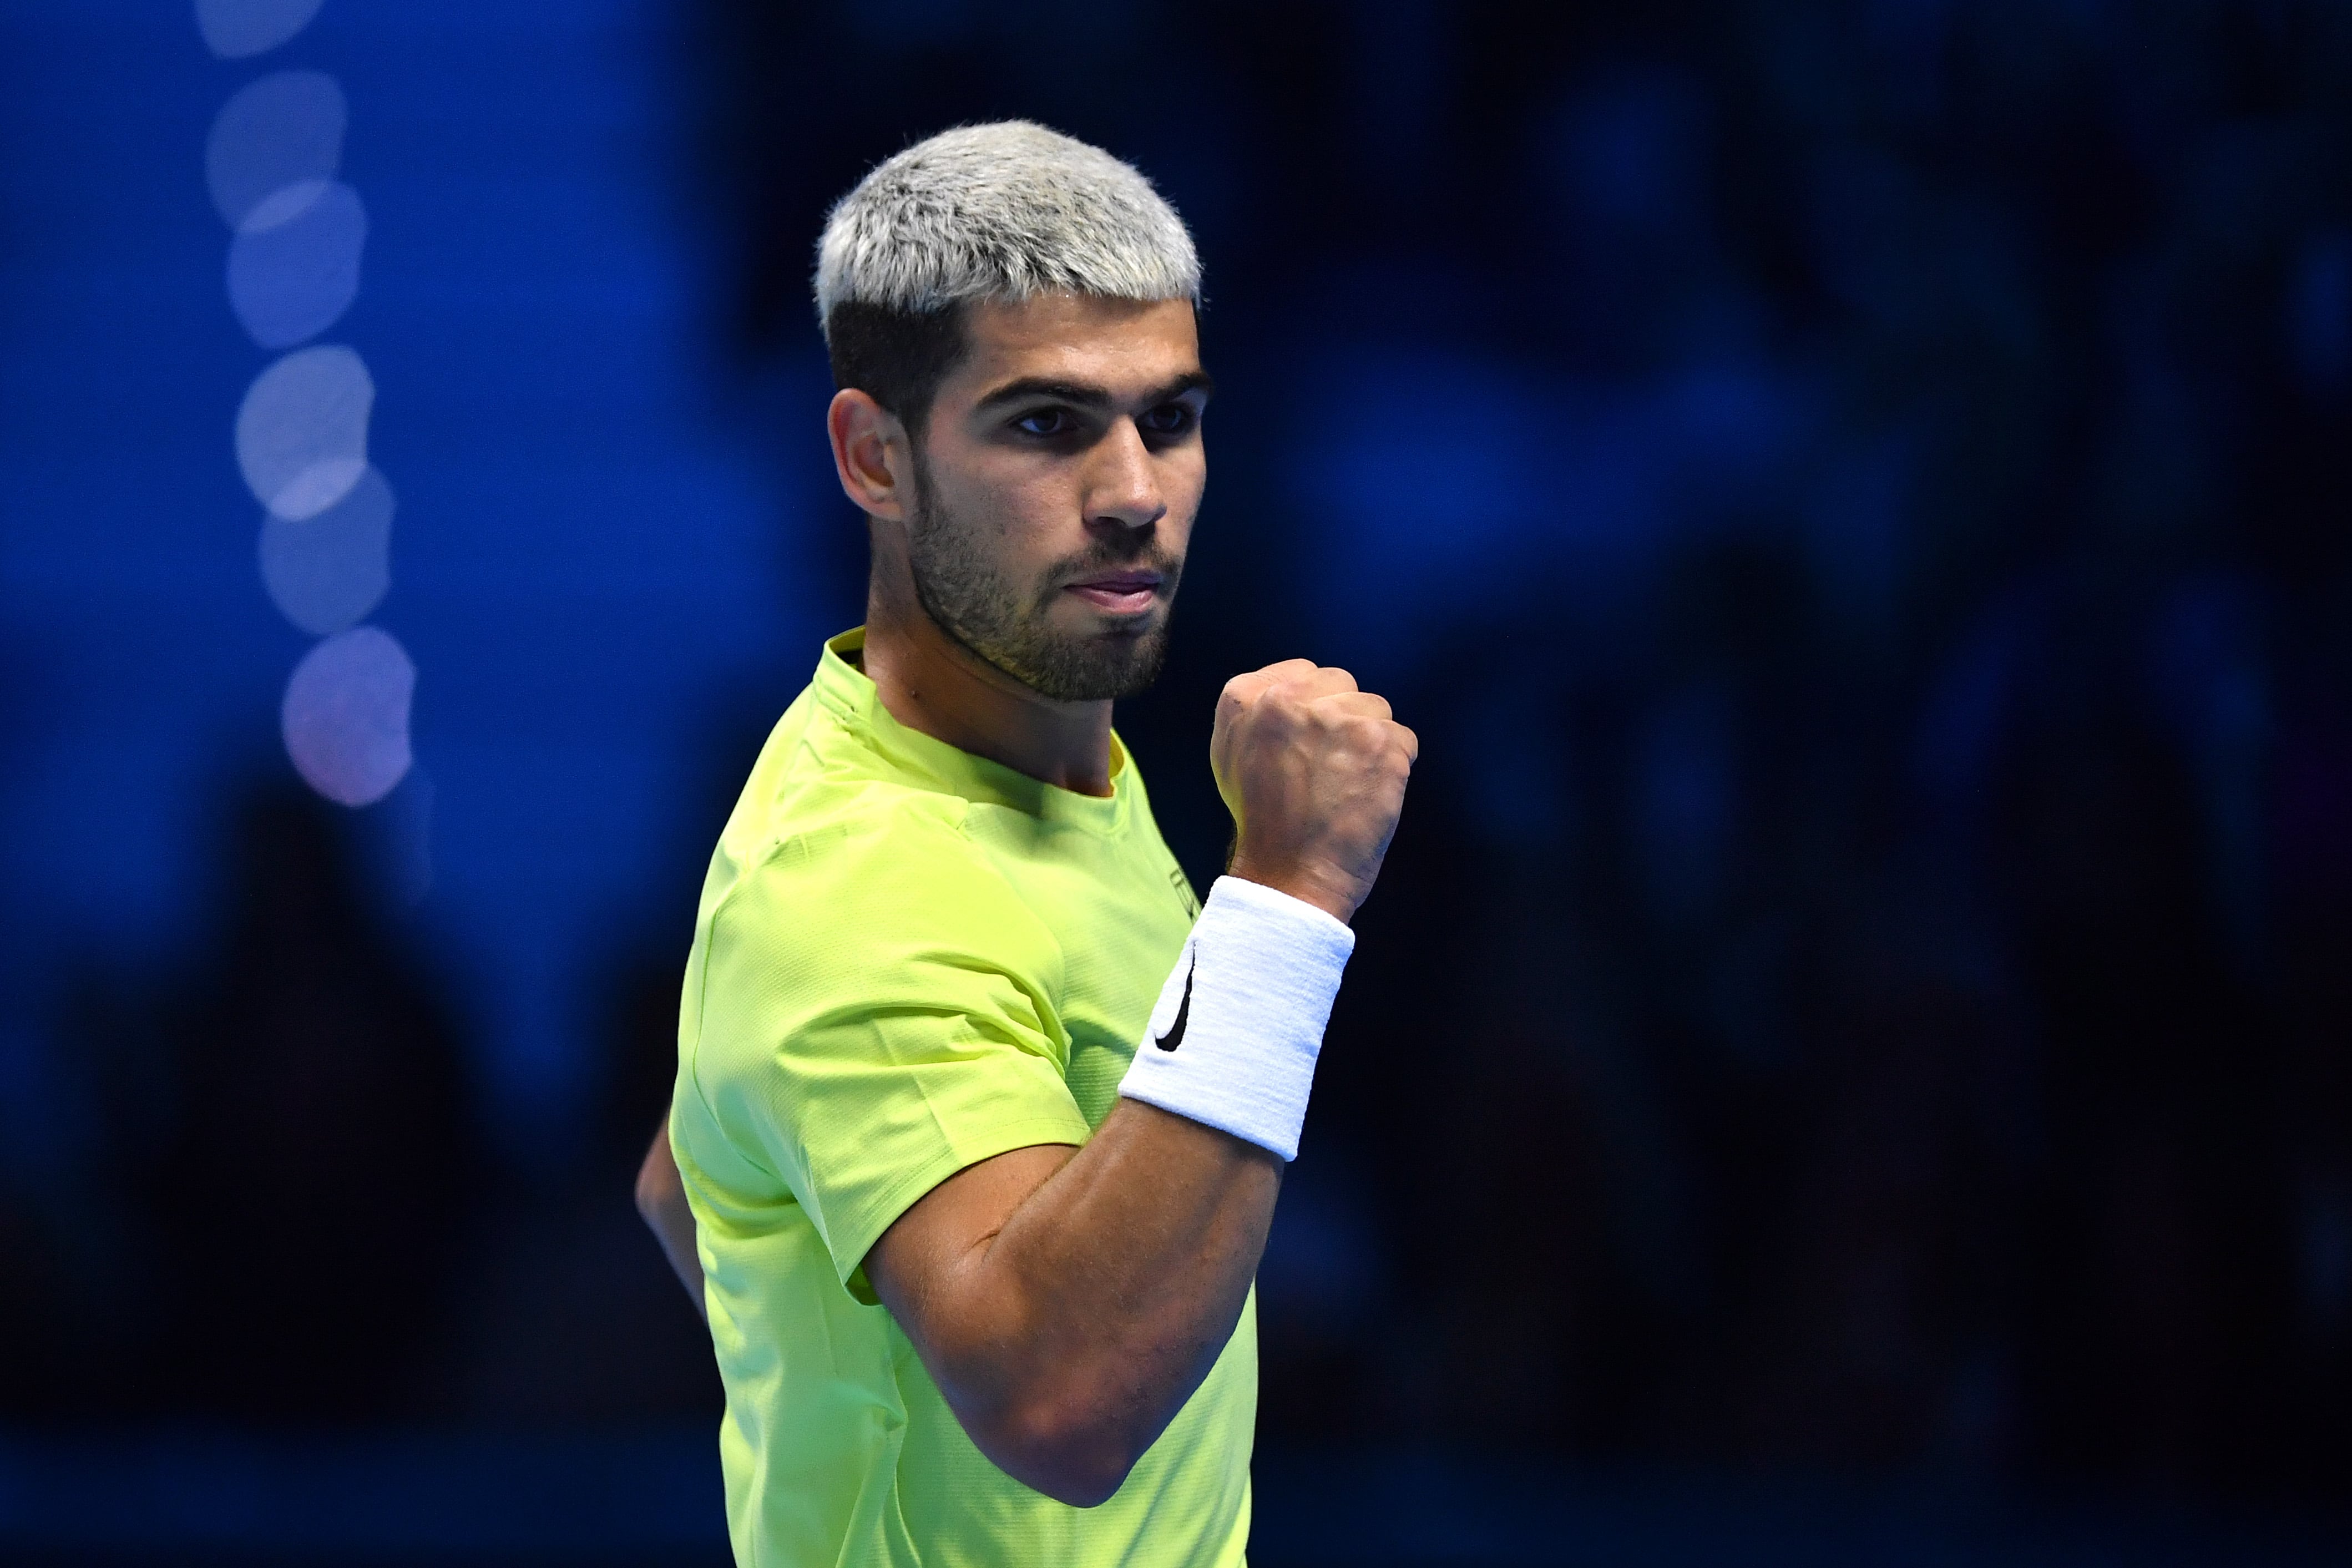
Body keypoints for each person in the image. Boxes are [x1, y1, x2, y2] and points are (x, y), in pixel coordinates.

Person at [634, 120, 1416, 1566]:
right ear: (875, 454)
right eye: (1048, 423)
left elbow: (691, 1178)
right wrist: (1291, 890)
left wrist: (828, 1358)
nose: (1133, 491)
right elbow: (1061, 1398)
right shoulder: (858, 876)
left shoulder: (1040, 754)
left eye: (1169, 417)